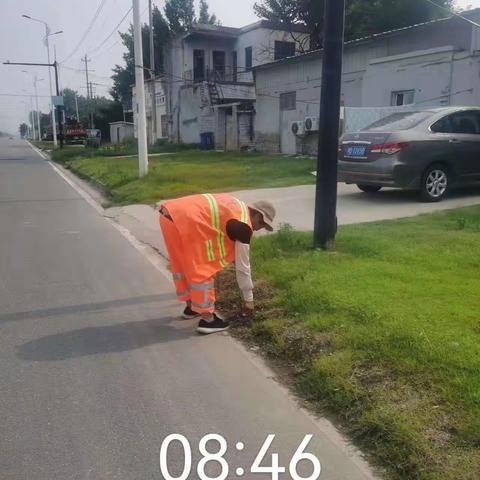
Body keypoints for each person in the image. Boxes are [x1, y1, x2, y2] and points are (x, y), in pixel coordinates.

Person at [159, 193, 276, 334]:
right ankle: (208, 320)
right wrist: (248, 300)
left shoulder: (237, 207)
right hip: (188, 220)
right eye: (262, 224)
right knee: (203, 267)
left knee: (183, 263)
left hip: (168, 216)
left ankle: (191, 307)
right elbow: (243, 267)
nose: (259, 229)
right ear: (257, 215)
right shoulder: (244, 226)